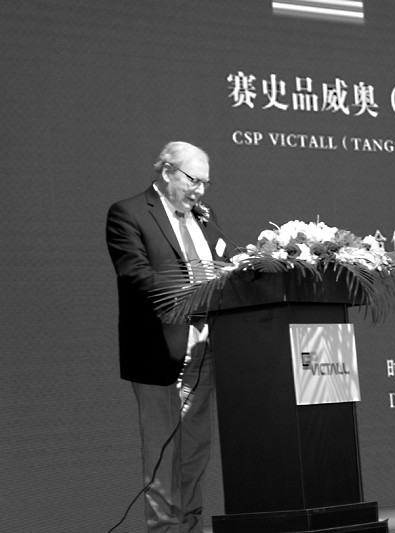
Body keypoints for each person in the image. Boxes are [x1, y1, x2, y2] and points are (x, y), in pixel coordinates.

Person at [106, 141, 231, 532]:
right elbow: (135, 274)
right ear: (166, 171)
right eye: (193, 180)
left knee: (195, 449)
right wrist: (194, 295)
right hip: (159, 348)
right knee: (163, 452)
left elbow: (222, 267)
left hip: (205, 347)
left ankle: (190, 526)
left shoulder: (205, 217)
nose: (200, 191)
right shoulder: (128, 213)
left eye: (205, 183)